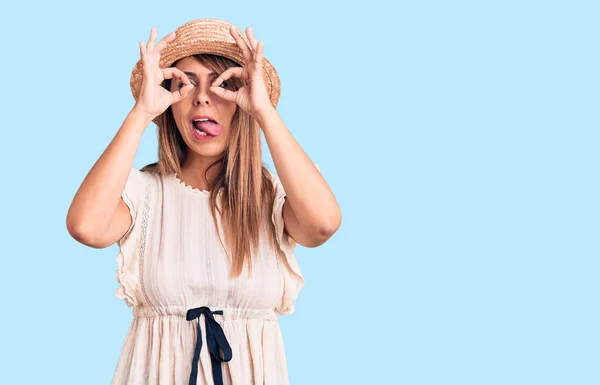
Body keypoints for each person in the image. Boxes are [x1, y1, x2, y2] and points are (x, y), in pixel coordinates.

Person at [66, 18, 341, 385]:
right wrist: (142, 111)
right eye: (186, 83)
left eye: (222, 84)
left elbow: (323, 224)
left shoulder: (272, 198)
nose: (201, 97)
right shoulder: (144, 194)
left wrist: (263, 112)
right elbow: (85, 226)